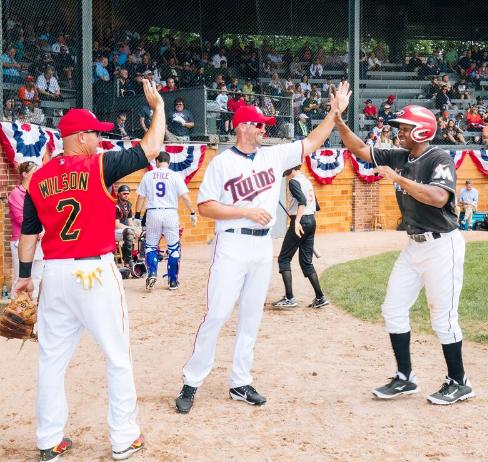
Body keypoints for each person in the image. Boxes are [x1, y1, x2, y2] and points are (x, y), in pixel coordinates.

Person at [13, 79, 165, 460]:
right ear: (79, 138)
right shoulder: (99, 164)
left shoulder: (40, 178)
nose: (99, 139)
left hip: (55, 275)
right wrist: (159, 108)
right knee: (116, 355)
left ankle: (49, 441)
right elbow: (151, 148)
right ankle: (124, 438)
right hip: (94, 273)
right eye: (95, 134)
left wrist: (25, 277)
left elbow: (29, 235)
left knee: (51, 360)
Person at [174, 91, 350, 414]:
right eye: (259, 125)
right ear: (242, 127)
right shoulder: (222, 163)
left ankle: (240, 381)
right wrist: (245, 212)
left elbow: (311, 142)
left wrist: (333, 114)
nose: (263, 130)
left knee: (251, 317)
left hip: (260, 245)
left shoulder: (273, 156)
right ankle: (191, 381)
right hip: (232, 243)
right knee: (217, 313)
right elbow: (206, 206)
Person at [332, 82, 474, 406]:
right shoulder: (401, 155)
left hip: (442, 246)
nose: (398, 132)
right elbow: (359, 150)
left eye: (404, 128)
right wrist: (339, 119)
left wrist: (398, 178)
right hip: (414, 246)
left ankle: (459, 380)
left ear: (421, 132)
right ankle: (405, 377)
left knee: (443, 318)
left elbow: (439, 198)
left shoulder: (439, 159)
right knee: (393, 309)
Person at [134, 151, 197, 290]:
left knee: (150, 246)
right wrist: (192, 212)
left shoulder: (148, 175)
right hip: (170, 213)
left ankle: (152, 272)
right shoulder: (175, 176)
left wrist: (137, 216)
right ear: (169, 162)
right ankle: (173, 281)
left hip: (153, 212)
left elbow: (140, 198)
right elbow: (185, 197)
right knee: (174, 248)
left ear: (156, 162)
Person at [272, 165, 328, 309]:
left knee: (284, 259)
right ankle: (320, 297)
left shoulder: (293, 182)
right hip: (310, 221)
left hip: (300, 222)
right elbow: (315, 205)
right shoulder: (306, 181)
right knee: (306, 262)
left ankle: (290, 299)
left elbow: (302, 201)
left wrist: (297, 221)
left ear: (291, 167)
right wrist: (307, 224)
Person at [8, 161, 44, 299]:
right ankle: (15, 314)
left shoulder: (39, 191)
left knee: (36, 278)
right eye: (34, 171)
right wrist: (39, 229)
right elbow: (21, 218)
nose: (37, 174)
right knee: (20, 278)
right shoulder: (16, 194)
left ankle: (31, 312)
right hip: (21, 240)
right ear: (24, 174)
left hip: (40, 239)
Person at [115, 185, 140, 269]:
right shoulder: (115, 205)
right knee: (129, 231)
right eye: (124, 193)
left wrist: (136, 229)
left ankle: (139, 256)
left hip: (124, 230)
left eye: (128, 194)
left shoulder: (128, 205)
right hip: (113, 231)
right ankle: (128, 260)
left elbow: (130, 222)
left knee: (141, 232)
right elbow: (117, 225)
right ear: (118, 194)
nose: (126, 195)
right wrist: (131, 229)